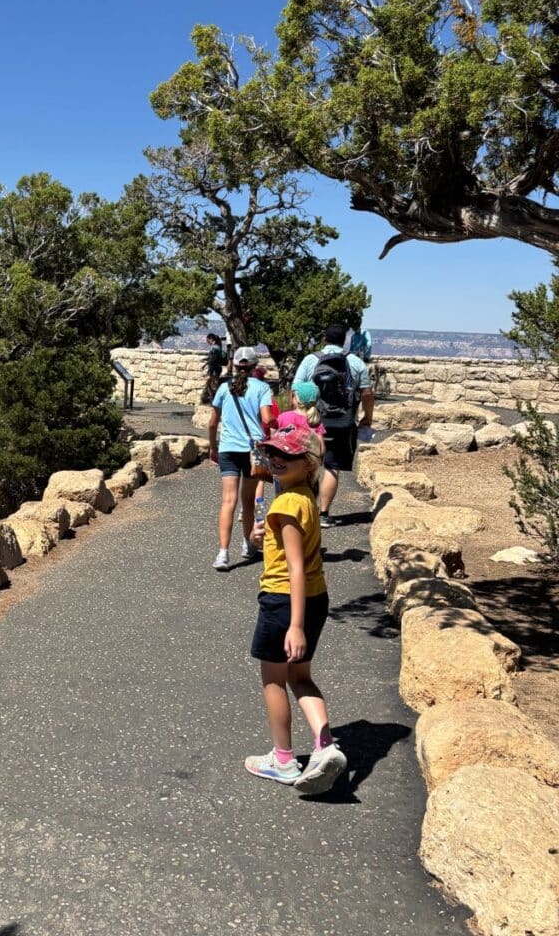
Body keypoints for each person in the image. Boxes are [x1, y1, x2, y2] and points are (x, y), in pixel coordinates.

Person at [243, 423, 347, 793]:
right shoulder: (303, 497)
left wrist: (295, 625)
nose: (275, 459)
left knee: (274, 679)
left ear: (308, 463)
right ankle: (325, 746)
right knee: (300, 676)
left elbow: (294, 567)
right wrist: (260, 536)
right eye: (272, 452)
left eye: (286, 455)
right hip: (315, 597)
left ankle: (283, 760)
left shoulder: (286, 503)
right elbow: (294, 548)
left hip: (284, 601)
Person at [293, 324, 374, 527]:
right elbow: (367, 393)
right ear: (344, 340)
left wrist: (296, 414)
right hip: (342, 422)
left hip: (312, 420)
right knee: (332, 467)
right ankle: (323, 514)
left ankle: (303, 511)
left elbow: (295, 389)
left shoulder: (311, 360)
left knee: (306, 465)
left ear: (325, 338)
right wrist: (367, 417)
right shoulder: (355, 362)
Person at [207, 346, 274, 572]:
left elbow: (212, 422)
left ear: (235, 365)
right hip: (253, 448)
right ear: (255, 366)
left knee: (228, 501)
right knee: (249, 500)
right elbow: (267, 418)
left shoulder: (224, 388)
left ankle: (223, 553)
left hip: (228, 447)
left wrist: (213, 447)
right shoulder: (262, 388)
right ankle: (248, 543)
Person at [200, 333, 225, 405]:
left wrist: (205, 365)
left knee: (213, 384)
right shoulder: (218, 347)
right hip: (217, 368)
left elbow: (213, 359)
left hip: (214, 369)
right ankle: (213, 398)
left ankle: (214, 399)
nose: (207, 342)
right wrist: (206, 359)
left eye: (207, 340)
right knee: (211, 383)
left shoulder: (214, 348)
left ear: (210, 339)